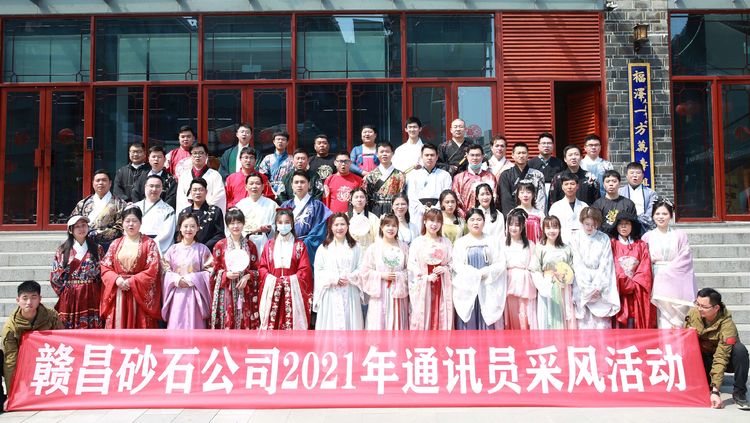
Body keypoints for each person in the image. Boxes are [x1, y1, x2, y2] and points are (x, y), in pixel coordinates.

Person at [685, 288, 749, 410]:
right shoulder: (693, 313)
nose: (699, 308)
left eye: (704, 306)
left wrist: (715, 391)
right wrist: (690, 335)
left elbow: (721, 356)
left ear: (716, 308)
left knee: (740, 350)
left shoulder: (727, 325)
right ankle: (704, 381)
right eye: (697, 304)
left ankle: (739, 392)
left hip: (724, 360)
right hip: (704, 359)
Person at [100, 207, 161, 329]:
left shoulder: (149, 243)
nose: (131, 224)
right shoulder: (115, 244)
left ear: (141, 222)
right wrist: (116, 279)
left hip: (139, 293)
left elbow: (153, 269)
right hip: (118, 290)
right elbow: (105, 266)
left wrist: (132, 281)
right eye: (127, 221)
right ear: (122, 223)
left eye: (134, 221)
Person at [641, 199, 697, 329]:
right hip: (656, 277)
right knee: (661, 315)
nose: (660, 217)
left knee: (677, 317)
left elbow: (685, 257)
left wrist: (667, 272)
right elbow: (644, 260)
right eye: (657, 214)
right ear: (653, 216)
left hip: (676, 279)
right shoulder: (647, 236)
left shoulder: (680, 235)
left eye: (665, 214)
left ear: (671, 216)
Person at [2, 281, 62, 396]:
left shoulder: (51, 317)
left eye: (33, 297)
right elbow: (11, 361)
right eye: (25, 298)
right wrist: (11, 396)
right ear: (18, 300)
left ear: (40, 299)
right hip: (24, 366)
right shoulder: (11, 327)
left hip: (47, 362)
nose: (29, 302)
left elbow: (62, 343)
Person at [452, 208, 507, 330]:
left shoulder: (492, 241)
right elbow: (456, 264)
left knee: (486, 313)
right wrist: (472, 274)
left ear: (484, 221)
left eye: (479, 219)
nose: (475, 223)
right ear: (467, 223)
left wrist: (485, 272)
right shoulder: (461, 242)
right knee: (469, 315)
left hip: (487, 285)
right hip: (468, 286)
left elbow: (500, 263)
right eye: (472, 220)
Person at [258, 208, 313, 330]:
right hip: (272, 289)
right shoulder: (269, 245)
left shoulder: (299, 245)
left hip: (293, 292)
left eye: (287, 222)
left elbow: (304, 270)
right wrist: (273, 280)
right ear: (276, 225)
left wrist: (289, 280)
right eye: (280, 222)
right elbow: (262, 268)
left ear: (292, 224)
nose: (283, 225)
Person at [50, 215, 105, 329]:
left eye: (84, 225)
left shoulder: (97, 249)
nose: (81, 229)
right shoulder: (62, 250)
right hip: (71, 295)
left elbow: (103, 273)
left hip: (92, 293)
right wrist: (66, 293)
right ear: (70, 230)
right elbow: (55, 277)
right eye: (77, 226)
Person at [569, 207, 619, 329]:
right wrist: (586, 287)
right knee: (584, 323)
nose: (590, 227)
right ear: (582, 222)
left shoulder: (604, 238)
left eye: (593, 225)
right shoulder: (575, 237)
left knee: (601, 324)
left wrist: (597, 286)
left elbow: (606, 263)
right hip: (581, 282)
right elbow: (577, 262)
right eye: (587, 224)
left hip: (600, 282)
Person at [210, 208, 261, 330]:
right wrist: (225, 274)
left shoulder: (250, 246)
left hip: (245, 291)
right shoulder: (220, 245)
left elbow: (257, 270)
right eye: (232, 223)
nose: (236, 226)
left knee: (245, 320)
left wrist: (248, 276)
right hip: (226, 292)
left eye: (238, 222)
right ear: (227, 226)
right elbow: (214, 271)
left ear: (243, 224)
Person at [161, 213, 213, 329]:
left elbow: (210, 271)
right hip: (177, 294)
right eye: (185, 226)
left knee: (195, 325)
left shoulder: (202, 249)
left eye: (192, 226)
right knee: (176, 324)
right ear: (180, 228)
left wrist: (193, 278)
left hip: (196, 294)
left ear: (198, 228)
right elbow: (165, 271)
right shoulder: (173, 249)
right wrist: (176, 279)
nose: (189, 229)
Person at [313, 213, 364, 330]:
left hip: (350, 290)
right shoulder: (323, 248)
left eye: (342, 224)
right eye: (336, 225)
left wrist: (350, 277)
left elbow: (361, 267)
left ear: (348, 226)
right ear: (331, 227)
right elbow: (319, 270)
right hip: (330, 292)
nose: (339, 228)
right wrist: (334, 279)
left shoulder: (356, 247)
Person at [360, 214, 410, 330]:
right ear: (381, 227)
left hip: (398, 291)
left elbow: (410, 270)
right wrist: (381, 275)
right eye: (387, 225)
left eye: (394, 225)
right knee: (378, 322)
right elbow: (365, 272)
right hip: (380, 291)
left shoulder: (404, 247)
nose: (391, 228)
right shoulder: (374, 248)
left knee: (397, 322)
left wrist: (399, 276)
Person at [408, 209, 454, 330]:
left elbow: (452, 262)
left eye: (438, 221)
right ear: (424, 221)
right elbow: (412, 265)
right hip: (424, 285)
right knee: (424, 315)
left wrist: (445, 268)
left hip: (441, 284)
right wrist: (424, 277)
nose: (434, 224)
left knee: (441, 313)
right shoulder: (417, 242)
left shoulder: (446, 242)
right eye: (431, 220)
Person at [609, 212, 655, 329]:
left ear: (632, 226)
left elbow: (645, 268)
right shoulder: (612, 244)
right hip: (618, 289)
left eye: (627, 223)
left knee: (635, 320)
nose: (623, 227)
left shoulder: (641, 245)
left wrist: (634, 284)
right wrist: (624, 280)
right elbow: (612, 264)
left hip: (637, 290)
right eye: (620, 224)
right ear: (616, 226)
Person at [531, 216, 577, 329]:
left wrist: (566, 277)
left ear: (560, 229)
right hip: (546, 286)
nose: (552, 231)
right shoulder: (540, 248)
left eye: (555, 227)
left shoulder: (566, 248)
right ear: (543, 229)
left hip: (563, 287)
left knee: (564, 317)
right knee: (548, 318)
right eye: (548, 228)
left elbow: (573, 268)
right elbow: (535, 270)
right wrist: (545, 286)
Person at [279, 170, 332, 263]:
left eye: (302, 182)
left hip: (308, 249)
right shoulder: (285, 206)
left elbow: (319, 232)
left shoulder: (317, 206)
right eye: (296, 182)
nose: (299, 185)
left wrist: (302, 245)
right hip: (287, 247)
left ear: (309, 184)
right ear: (292, 185)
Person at [71, 169, 126, 250]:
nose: (100, 183)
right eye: (97, 180)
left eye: (104, 180)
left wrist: (96, 233)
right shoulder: (83, 203)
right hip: (84, 244)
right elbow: (72, 221)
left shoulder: (120, 203)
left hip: (109, 246)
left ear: (110, 183)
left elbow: (121, 227)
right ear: (93, 183)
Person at [502, 209, 537, 330]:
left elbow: (534, 266)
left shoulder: (530, 245)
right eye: (511, 224)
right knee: (512, 314)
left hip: (525, 282)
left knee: (525, 313)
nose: (513, 228)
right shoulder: (502, 243)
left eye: (517, 225)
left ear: (522, 226)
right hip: (509, 281)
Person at [405, 144, 452, 229]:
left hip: (438, 211)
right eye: (426, 155)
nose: (429, 158)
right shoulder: (413, 175)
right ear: (421, 157)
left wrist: (435, 209)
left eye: (432, 155)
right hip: (418, 212)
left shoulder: (445, 175)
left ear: (437, 157)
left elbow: (446, 197)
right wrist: (423, 209)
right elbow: (411, 196)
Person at [176, 143, 227, 213]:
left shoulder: (215, 175)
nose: (197, 156)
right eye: (195, 153)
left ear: (206, 156)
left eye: (201, 153)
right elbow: (181, 198)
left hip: (208, 213)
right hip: (189, 214)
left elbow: (219, 196)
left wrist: (203, 208)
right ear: (191, 156)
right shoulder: (184, 176)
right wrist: (192, 209)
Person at [498, 142, 547, 217]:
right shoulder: (506, 175)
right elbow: (506, 199)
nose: (521, 156)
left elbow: (541, 199)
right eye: (518, 153)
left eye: (523, 153)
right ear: (512, 155)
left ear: (528, 155)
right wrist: (513, 217)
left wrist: (537, 216)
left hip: (534, 215)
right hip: (514, 217)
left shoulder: (538, 175)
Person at [177, 178, 225, 251]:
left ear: (206, 192)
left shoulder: (215, 211)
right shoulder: (184, 213)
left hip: (207, 251)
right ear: (190, 192)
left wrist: (203, 248)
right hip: (186, 251)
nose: (197, 193)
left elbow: (219, 235)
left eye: (201, 190)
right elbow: (178, 234)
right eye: (195, 190)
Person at [547, 145, 600, 211]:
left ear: (581, 157)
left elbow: (597, 200)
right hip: (562, 214)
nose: (573, 157)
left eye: (576, 154)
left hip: (585, 214)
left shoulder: (590, 177)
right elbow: (552, 200)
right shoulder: (558, 178)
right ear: (565, 159)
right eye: (570, 155)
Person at [234, 173, 277, 254]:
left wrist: (270, 229)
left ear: (263, 186)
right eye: (251, 184)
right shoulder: (240, 206)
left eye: (257, 183)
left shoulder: (272, 205)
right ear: (246, 187)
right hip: (245, 241)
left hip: (264, 241)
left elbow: (277, 226)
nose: (254, 186)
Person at [133, 175, 176, 255]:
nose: (154, 189)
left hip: (156, 248)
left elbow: (167, 234)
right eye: (151, 186)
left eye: (157, 186)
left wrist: (148, 246)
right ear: (145, 187)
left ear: (162, 188)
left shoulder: (168, 210)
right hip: (135, 245)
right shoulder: (134, 207)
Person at [363, 141, 406, 217]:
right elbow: (367, 197)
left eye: (387, 152)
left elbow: (401, 196)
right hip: (375, 210)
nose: (384, 154)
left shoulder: (400, 175)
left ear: (392, 153)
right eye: (381, 152)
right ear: (377, 154)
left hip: (393, 210)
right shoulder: (371, 175)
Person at [452, 143, 496, 214]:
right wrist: (465, 216)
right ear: (467, 156)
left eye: (478, 155)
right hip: (464, 217)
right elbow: (455, 200)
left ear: (482, 156)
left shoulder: (490, 177)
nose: (475, 158)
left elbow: (494, 197)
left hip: (487, 216)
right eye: (472, 155)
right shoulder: (458, 178)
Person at [131, 145, 177, 209]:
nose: (156, 159)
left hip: (162, 211)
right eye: (153, 157)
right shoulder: (141, 175)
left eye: (159, 157)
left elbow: (171, 199)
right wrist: (139, 208)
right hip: (141, 210)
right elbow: (135, 193)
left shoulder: (170, 179)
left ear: (164, 159)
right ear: (148, 159)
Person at [592, 169, 637, 234]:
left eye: (614, 181)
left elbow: (633, 225)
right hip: (603, 237)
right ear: (604, 185)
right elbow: (595, 225)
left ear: (619, 184)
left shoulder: (628, 204)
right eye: (607, 181)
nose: (611, 184)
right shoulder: (597, 204)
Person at [619, 161, 657, 233]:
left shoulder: (651, 193)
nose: (635, 175)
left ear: (643, 175)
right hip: (624, 227)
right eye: (632, 173)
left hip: (645, 227)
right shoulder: (619, 192)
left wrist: (636, 219)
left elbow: (651, 212)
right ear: (626, 175)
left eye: (638, 173)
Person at [548, 173, 587, 242]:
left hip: (582, 241)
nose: (569, 187)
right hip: (562, 241)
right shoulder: (555, 207)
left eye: (572, 184)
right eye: (566, 184)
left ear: (577, 186)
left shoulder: (584, 206)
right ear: (562, 187)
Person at [258, 131, 294, 198]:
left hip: (285, 191)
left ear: (287, 142)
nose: (280, 141)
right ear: (274, 142)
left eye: (283, 140)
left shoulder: (292, 160)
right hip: (269, 190)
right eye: (278, 139)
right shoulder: (268, 158)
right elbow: (262, 176)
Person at [347, 188, 380, 255]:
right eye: (356, 197)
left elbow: (378, 238)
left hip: (367, 254)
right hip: (349, 254)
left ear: (366, 200)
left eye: (362, 197)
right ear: (351, 200)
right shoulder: (345, 217)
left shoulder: (373, 218)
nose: (359, 200)